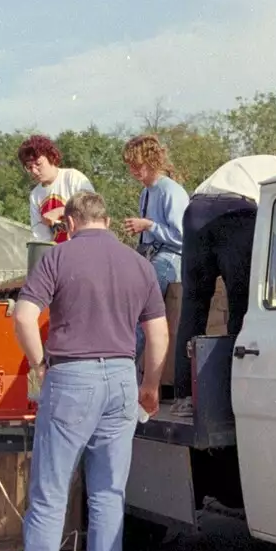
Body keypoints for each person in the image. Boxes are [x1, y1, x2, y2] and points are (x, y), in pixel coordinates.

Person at [0, 192, 168, 551]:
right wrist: (150, 385)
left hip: (72, 376)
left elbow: (22, 315)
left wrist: (39, 365)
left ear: (69, 224)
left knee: (51, 491)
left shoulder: (58, 258)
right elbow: (159, 331)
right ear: (107, 220)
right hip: (122, 379)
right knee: (109, 493)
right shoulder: (139, 265)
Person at [172, 154, 276, 400]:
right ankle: (237, 392)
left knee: (193, 305)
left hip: (196, 210)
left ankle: (184, 395)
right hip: (235, 212)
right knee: (242, 304)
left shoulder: (255, 164)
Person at [120, 134, 188, 380]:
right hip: (151, 256)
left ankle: (123, 365)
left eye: (137, 165)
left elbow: (183, 237)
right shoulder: (146, 193)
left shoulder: (170, 190)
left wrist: (149, 226)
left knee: (141, 309)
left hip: (170, 258)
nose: (133, 171)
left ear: (151, 161)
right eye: (130, 166)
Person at [18, 134, 93, 243]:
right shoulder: (35, 195)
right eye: (29, 167)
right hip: (59, 253)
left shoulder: (72, 177)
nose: (34, 171)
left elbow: (94, 210)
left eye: (38, 164)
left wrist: (61, 211)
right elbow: (41, 236)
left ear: (51, 157)